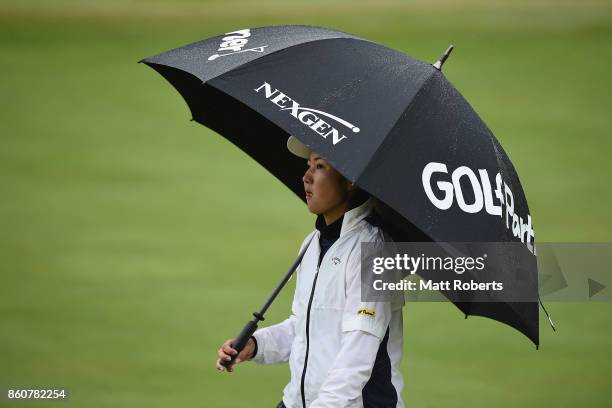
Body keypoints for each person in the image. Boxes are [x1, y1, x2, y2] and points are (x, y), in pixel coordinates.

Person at [216, 136, 405, 408]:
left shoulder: (373, 251)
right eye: (308, 165)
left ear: (350, 180)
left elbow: (358, 354)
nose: (306, 177)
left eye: (320, 166)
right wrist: (256, 345)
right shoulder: (312, 244)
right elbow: (305, 328)